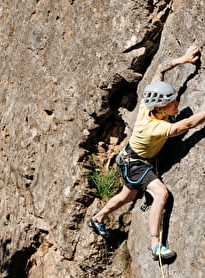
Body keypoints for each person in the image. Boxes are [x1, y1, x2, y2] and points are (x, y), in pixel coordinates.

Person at [88, 45, 205, 261]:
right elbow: (187, 125)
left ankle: (98, 217)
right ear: (160, 109)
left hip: (129, 158)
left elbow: (159, 70)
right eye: (172, 104)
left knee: (128, 195)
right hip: (136, 163)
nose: (177, 104)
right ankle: (156, 246)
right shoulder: (155, 128)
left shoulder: (147, 104)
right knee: (161, 194)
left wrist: (184, 59)